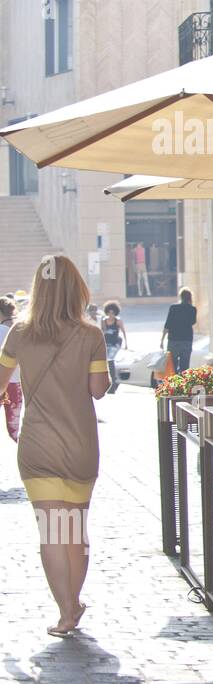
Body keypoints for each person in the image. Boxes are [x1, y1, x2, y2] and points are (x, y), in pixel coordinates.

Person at [0, 256, 112, 636]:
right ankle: (73, 603)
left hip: (37, 445)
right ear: (75, 288)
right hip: (80, 443)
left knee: (52, 530)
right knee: (75, 529)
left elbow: (0, 383)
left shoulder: (19, 333)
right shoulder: (91, 335)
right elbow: (98, 390)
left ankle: (65, 611)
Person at [160, 288, 197, 374]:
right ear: (190, 298)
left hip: (173, 340)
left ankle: (174, 385)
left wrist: (162, 340)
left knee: (172, 366)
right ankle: (183, 385)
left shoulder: (173, 308)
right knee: (185, 366)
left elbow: (167, 325)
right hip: (186, 340)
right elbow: (193, 322)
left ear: (181, 296)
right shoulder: (192, 309)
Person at [0, 296, 21, 440]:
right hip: (18, 382)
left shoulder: (1, 330)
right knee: (14, 429)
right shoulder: (21, 328)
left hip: (2, 380)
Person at [99, 300, 126, 395]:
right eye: (109, 312)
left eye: (113, 313)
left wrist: (126, 344)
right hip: (107, 343)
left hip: (115, 344)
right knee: (107, 362)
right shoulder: (104, 321)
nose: (111, 315)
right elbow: (102, 332)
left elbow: (123, 331)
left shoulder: (118, 321)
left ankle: (114, 383)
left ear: (115, 312)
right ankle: (112, 383)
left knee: (111, 360)